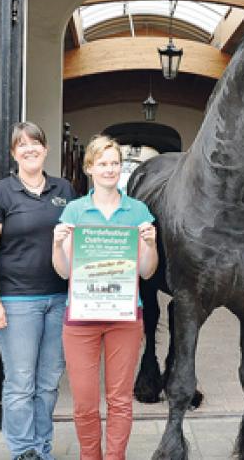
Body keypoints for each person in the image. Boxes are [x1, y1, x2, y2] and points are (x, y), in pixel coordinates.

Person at [52, 135, 158, 460]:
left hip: (124, 318)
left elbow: (147, 272)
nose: (110, 169)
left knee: (120, 399)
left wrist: (150, 245)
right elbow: (63, 272)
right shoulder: (74, 210)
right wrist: (58, 245)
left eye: (115, 163)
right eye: (103, 163)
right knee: (84, 401)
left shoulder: (138, 210)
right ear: (90, 168)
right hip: (81, 318)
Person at [0, 122, 76, 460]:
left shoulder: (64, 188)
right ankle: (22, 451)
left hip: (59, 299)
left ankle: (42, 448)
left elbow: (79, 243)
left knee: (48, 381)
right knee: (21, 382)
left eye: (36, 142)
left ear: (46, 149)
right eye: (22, 145)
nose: (30, 149)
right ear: (13, 152)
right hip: (16, 300)